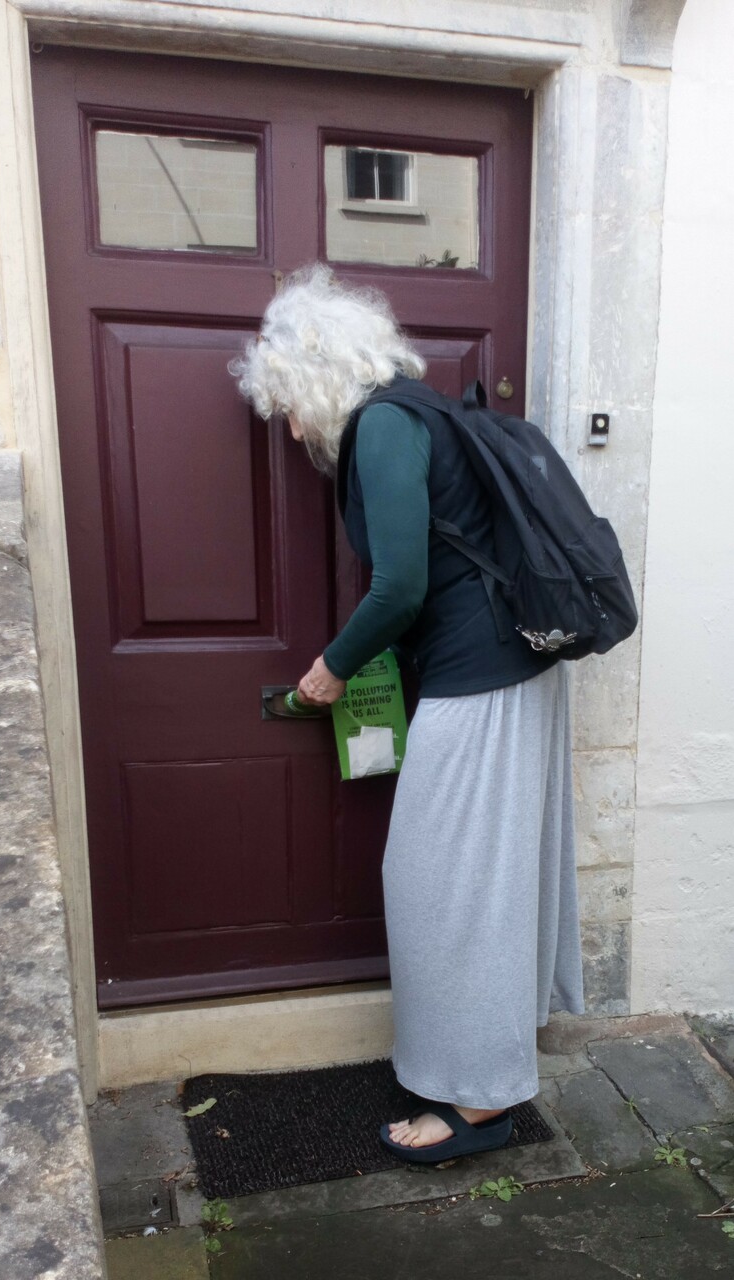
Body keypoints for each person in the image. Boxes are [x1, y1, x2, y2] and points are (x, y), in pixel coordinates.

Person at [230, 264, 585, 1163]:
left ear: (313, 378)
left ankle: (478, 1104)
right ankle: (491, 1061)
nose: (297, 429)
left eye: (290, 407)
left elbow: (398, 587)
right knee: (480, 885)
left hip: (484, 680)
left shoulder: (386, 424)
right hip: (505, 671)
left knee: (441, 890)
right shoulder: (422, 416)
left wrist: (329, 671)